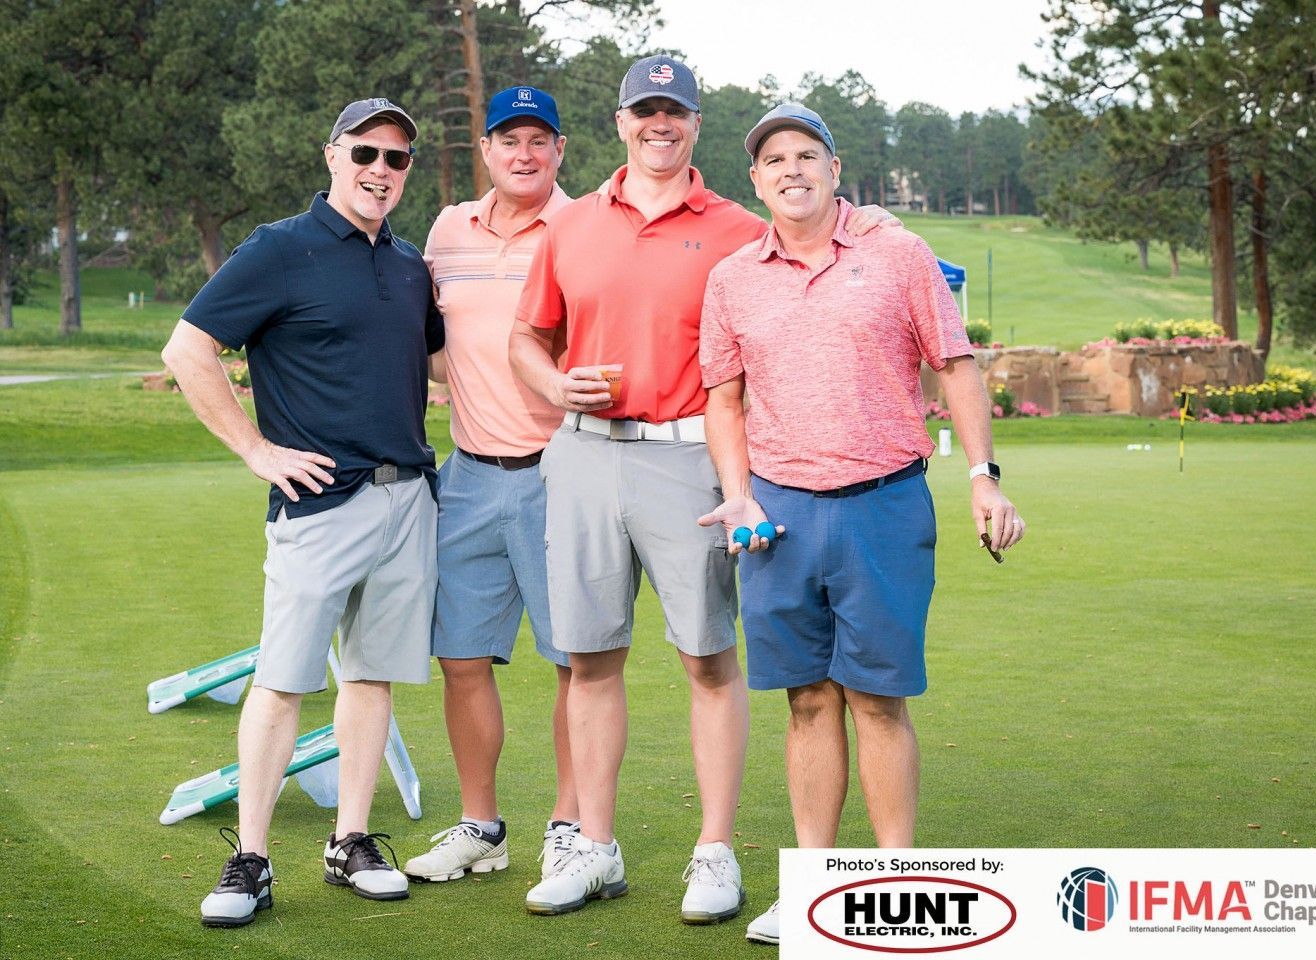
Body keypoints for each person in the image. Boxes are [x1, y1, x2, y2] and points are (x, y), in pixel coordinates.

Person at [510, 56, 896, 923]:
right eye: (644, 110)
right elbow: (526, 337)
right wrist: (547, 385)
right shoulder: (569, 226)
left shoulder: (734, 224)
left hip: (690, 458)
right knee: (588, 657)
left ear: (693, 123)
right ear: (619, 122)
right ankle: (593, 848)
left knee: (707, 659)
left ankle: (714, 852)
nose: (659, 123)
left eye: (673, 111)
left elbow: (818, 229)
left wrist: (866, 220)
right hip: (581, 454)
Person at [696, 103, 1026, 946]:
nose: (792, 170)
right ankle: (816, 885)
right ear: (756, 180)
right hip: (778, 514)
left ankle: (891, 885)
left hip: (883, 502)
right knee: (807, 701)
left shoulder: (896, 254)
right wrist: (737, 491)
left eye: (808, 155)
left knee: (876, 700)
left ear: (836, 171)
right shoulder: (733, 276)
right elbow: (723, 397)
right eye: (775, 161)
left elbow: (954, 365)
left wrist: (983, 479)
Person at [161, 98, 444, 928]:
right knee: (282, 681)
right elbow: (187, 349)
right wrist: (256, 451)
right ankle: (250, 856)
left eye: (396, 159)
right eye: (365, 152)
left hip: (407, 500)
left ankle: (349, 841)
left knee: (369, 676)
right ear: (332, 156)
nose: (379, 170)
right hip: (318, 505)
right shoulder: (279, 249)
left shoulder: (407, 264)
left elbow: (435, 364)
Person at [401, 85, 581, 884]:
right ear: (485, 150)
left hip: (565, 475)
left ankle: (573, 827)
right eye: (509, 138)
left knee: (578, 663)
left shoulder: (584, 230)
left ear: (560, 150)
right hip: (469, 476)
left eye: (539, 139)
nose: (524, 152)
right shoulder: (446, 230)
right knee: (461, 658)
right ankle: (482, 826)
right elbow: (436, 342)